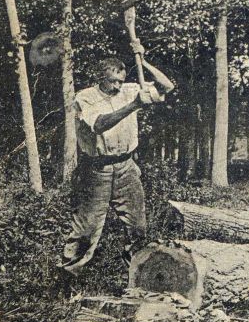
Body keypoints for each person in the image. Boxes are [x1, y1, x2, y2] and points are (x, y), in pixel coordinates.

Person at [59, 41, 174, 276]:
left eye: (121, 81)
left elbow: (167, 86)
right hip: (97, 170)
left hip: (127, 167)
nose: (118, 86)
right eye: (113, 81)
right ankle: (68, 275)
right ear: (101, 77)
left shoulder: (130, 90)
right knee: (87, 229)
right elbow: (99, 124)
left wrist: (144, 61)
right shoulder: (85, 97)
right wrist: (134, 105)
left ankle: (135, 274)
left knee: (137, 225)